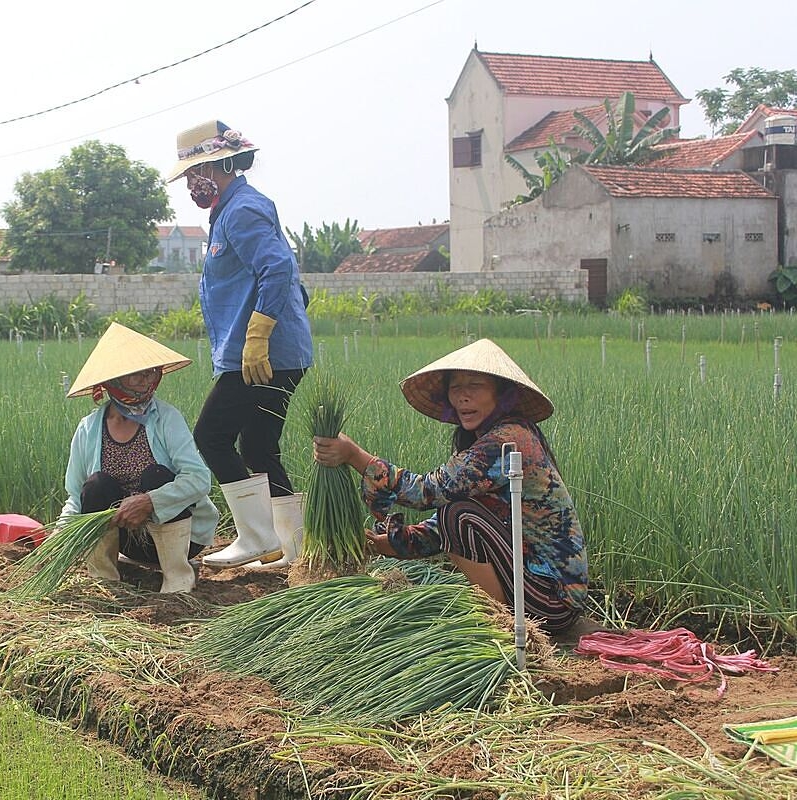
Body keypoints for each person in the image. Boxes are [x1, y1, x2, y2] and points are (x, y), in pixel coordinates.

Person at [311, 338, 589, 634]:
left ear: (502, 394)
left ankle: (502, 626)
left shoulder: (508, 440)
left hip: (552, 599)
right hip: (536, 589)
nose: (463, 397)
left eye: (475, 386)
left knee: (457, 514)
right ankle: (501, 616)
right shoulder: (490, 438)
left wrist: (356, 456)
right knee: (455, 513)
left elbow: (427, 493)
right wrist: (397, 542)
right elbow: (445, 527)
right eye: (456, 387)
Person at [165, 120, 314, 570]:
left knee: (210, 437)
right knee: (258, 446)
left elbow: (277, 268)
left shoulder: (243, 210)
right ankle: (292, 547)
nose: (191, 184)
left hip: (262, 356)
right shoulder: (231, 211)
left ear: (223, 165)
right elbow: (278, 276)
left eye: (196, 173)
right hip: (269, 352)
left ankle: (257, 537)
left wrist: (259, 335)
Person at [60, 322, 219, 593]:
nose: (146, 380)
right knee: (96, 485)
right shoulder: (89, 429)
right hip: (126, 541)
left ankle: (178, 580)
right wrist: (60, 536)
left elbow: (199, 479)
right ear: (113, 380)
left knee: (156, 476)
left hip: (181, 537)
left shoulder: (166, 418)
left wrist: (149, 502)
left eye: (151, 372)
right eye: (136, 374)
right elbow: (76, 496)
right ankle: (105, 582)